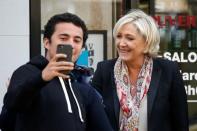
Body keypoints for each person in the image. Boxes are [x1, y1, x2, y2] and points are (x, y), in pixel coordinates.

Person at [1, 12, 113, 131]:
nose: (71, 44)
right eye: (64, 38)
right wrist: (42, 78)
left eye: (77, 40)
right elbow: (11, 108)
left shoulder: (82, 87)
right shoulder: (28, 72)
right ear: (47, 43)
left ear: (82, 48)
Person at [91, 9, 189, 131]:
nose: (121, 43)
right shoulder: (104, 70)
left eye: (129, 38)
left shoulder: (168, 70)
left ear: (147, 42)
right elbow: (92, 116)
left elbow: (180, 121)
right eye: (119, 36)